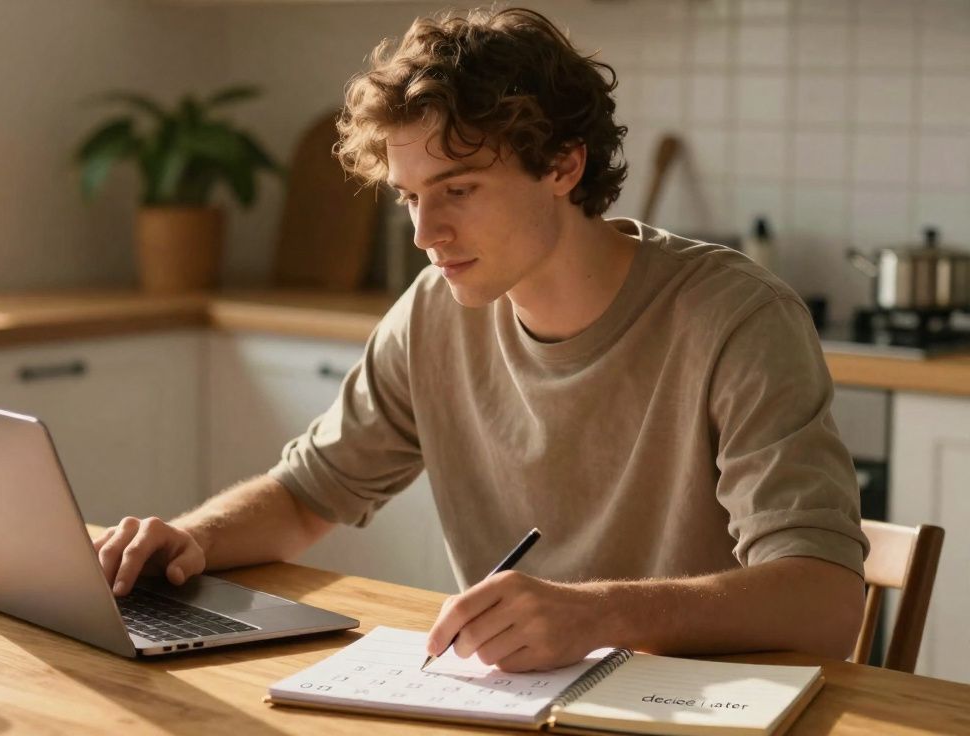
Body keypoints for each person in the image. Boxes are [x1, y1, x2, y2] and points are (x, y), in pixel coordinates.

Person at [92, 7, 867, 673]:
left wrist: (592, 615)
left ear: (563, 165)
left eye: (458, 189)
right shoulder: (436, 310)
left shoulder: (734, 315)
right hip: (515, 702)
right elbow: (305, 497)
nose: (427, 233)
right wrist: (187, 539)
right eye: (409, 196)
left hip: (697, 705)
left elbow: (824, 599)